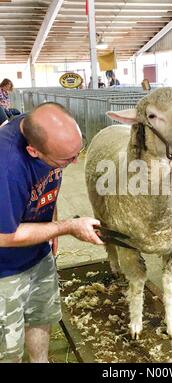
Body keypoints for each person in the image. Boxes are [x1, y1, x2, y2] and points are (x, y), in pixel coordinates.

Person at [0, 102, 103, 363]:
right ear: (33, 150)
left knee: (41, 317)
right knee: (8, 347)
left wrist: (51, 225)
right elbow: (5, 236)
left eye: (77, 152)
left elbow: (49, 183)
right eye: (67, 159)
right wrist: (66, 227)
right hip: (5, 270)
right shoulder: (7, 168)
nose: (75, 161)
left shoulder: (39, 129)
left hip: (39, 253)